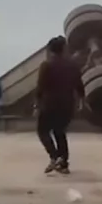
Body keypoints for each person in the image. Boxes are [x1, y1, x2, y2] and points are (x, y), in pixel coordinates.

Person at [35, 36, 84, 174]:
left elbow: (40, 87)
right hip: (67, 105)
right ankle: (63, 164)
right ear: (64, 48)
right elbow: (79, 86)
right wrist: (81, 101)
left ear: (50, 50)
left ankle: (54, 156)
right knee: (60, 132)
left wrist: (36, 105)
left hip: (49, 105)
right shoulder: (73, 66)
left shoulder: (46, 65)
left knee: (42, 131)